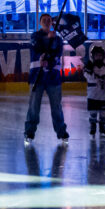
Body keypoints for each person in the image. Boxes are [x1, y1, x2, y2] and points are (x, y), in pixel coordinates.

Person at [24, 13, 69, 145]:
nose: (47, 22)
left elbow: (58, 52)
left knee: (56, 107)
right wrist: (47, 40)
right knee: (33, 107)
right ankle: (29, 132)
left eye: (49, 20)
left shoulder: (58, 39)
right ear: (40, 22)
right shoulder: (35, 36)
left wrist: (52, 41)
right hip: (36, 77)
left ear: (51, 23)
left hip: (53, 78)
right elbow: (36, 47)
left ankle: (61, 132)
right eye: (44, 20)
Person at [80, 44, 105, 138]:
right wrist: (89, 69)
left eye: (100, 56)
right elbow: (87, 77)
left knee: (103, 112)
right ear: (93, 56)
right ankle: (93, 126)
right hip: (93, 95)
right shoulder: (89, 67)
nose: (98, 57)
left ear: (103, 56)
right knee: (93, 112)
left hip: (104, 95)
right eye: (96, 56)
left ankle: (102, 127)